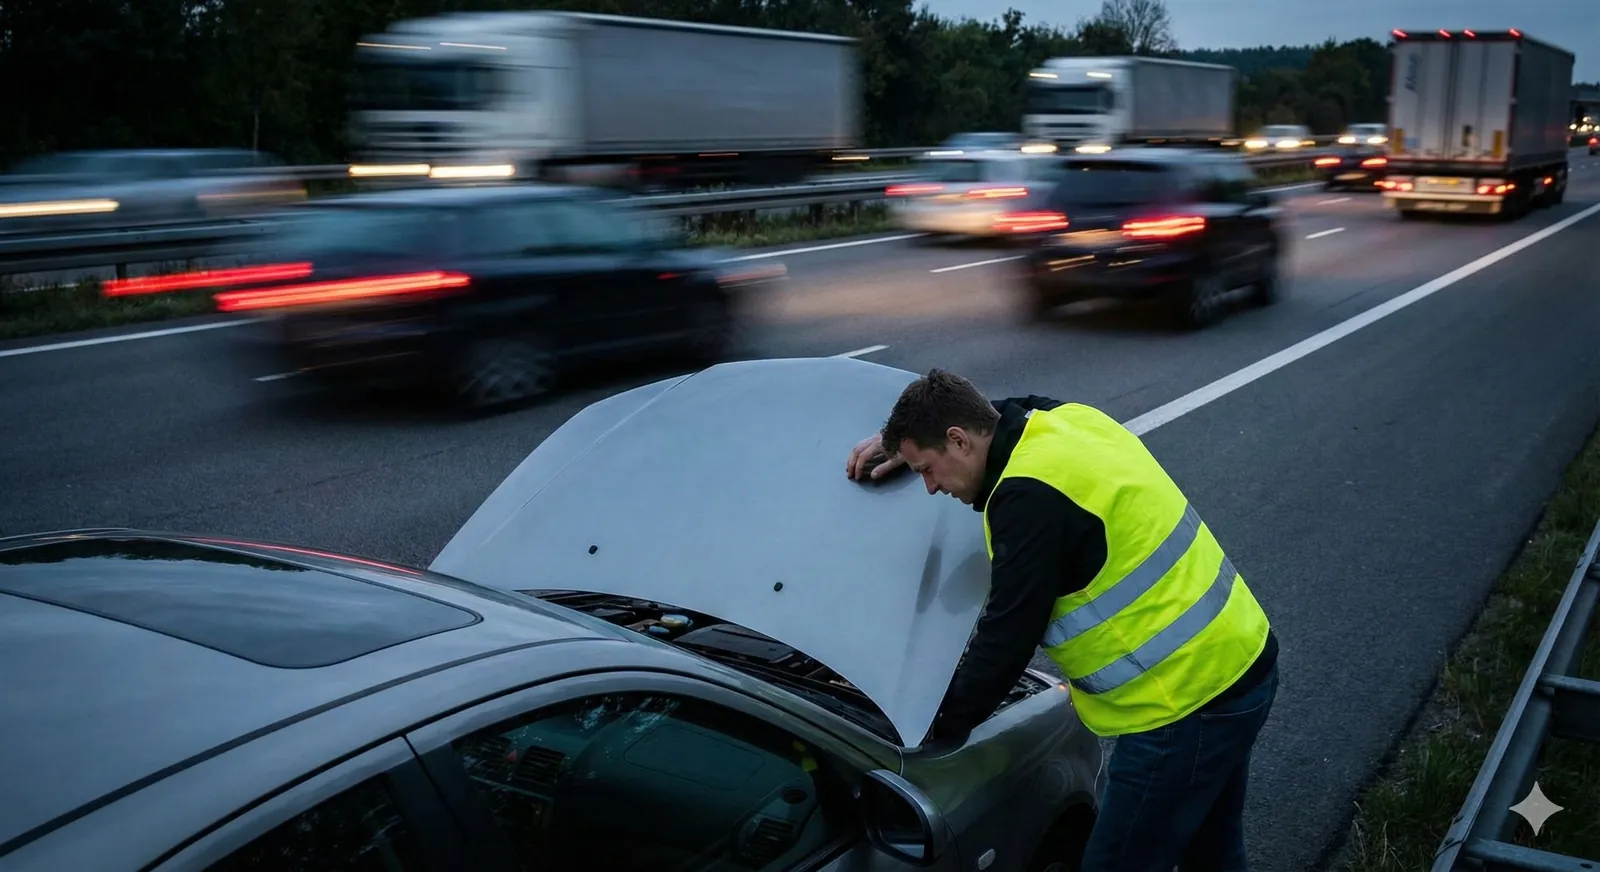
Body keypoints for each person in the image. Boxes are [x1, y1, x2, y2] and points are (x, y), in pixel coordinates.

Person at [846, 368, 1279, 872]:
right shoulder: (1063, 420)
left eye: (926, 469)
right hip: (1237, 660)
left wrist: (926, 727)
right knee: (1213, 853)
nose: (929, 487)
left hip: (1183, 705)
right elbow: (998, 409)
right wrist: (901, 439)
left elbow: (1005, 640)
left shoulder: (1027, 498)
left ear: (958, 440)